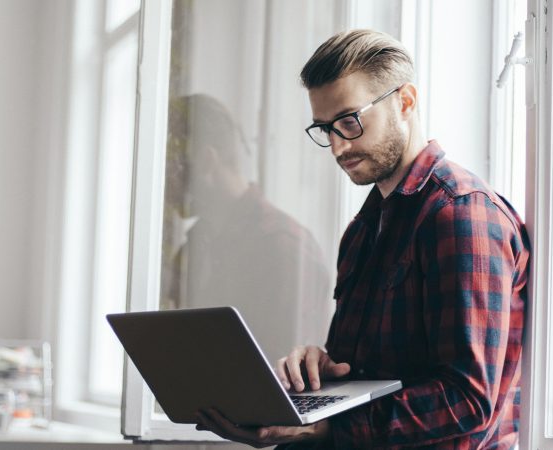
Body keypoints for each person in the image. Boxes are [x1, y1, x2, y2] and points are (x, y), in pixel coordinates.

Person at [195, 30, 530, 449]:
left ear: (405, 101)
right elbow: (372, 377)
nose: (337, 146)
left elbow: (468, 401)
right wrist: (321, 371)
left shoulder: (462, 214)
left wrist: (329, 426)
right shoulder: (362, 230)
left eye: (350, 122)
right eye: (324, 129)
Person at [163, 94, 332, 360]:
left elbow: (286, 381)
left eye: (167, 173)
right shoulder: (195, 246)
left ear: (206, 161)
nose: (163, 190)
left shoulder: (284, 248)